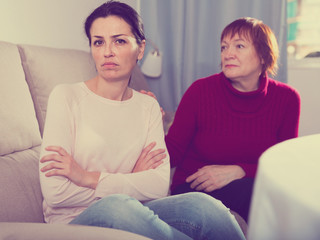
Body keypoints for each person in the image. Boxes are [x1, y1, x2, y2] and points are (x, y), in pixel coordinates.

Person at [39, 1, 245, 239]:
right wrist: (130, 181)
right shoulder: (66, 97)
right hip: (74, 221)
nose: (107, 51)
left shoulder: (147, 106)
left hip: (133, 209)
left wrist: (86, 177)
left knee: (204, 206)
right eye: (98, 42)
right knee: (117, 206)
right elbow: (56, 193)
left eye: (119, 41)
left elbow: (157, 185)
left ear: (140, 49)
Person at [166, 17, 301, 222]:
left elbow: (284, 165)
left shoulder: (288, 99)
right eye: (224, 47)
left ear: (264, 55)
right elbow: (172, 151)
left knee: (273, 193)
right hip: (194, 191)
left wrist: (240, 170)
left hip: (248, 188)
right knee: (256, 193)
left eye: (239, 46)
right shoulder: (200, 91)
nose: (228, 54)